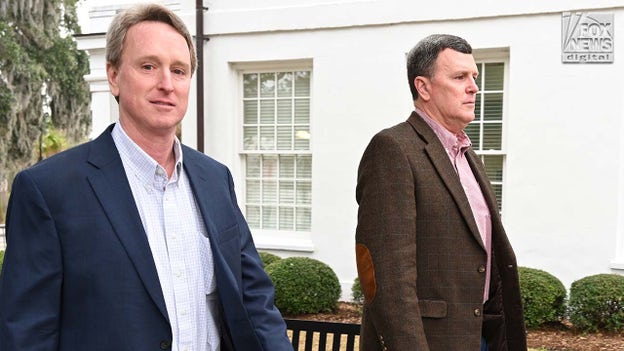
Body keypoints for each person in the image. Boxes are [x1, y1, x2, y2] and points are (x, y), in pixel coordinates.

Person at [0, 4, 293, 351]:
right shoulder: (48, 190)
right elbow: (26, 334)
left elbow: (254, 299)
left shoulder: (216, 179)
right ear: (113, 76)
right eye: (148, 66)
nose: (166, 84)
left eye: (179, 70)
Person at [355, 34, 527, 350]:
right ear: (423, 87)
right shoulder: (393, 149)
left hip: (482, 336)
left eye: (473, 77)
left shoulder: (468, 156)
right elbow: (387, 280)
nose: (474, 87)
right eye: (460, 77)